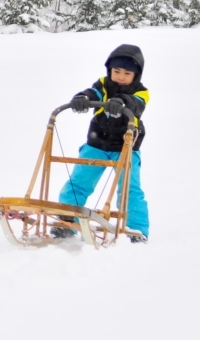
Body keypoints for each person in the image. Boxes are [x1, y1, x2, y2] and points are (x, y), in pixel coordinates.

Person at [51, 44, 150, 243]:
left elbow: (135, 104)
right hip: (97, 143)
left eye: (126, 73)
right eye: (116, 71)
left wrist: (122, 101)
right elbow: (93, 93)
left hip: (126, 146)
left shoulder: (142, 91)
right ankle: (67, 219)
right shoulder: (104, 85)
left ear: (136, 75)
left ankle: (137, 229)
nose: (120, 76)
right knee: (79, 182)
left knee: (129, 188)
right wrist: (82, 98)